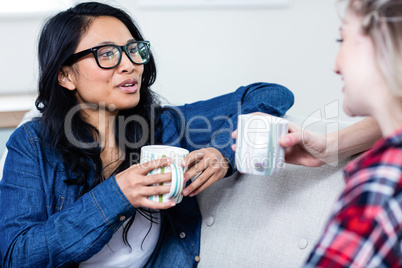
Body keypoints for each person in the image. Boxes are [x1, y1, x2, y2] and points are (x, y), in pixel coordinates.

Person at [0, 2, 294, 267]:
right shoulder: (32, 143)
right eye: (106, 54)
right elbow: (17, 256)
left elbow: (270, 94)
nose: (130, 65)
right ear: (65, 76)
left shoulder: (165, 125)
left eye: (133, 49)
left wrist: (223, 153)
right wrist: (119, 193)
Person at [234, 0, 402, 266]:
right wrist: (329, 147)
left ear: (381, 46)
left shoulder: (382, 180)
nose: (336, 66)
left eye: (342, 39)